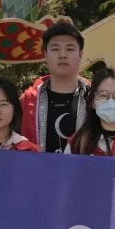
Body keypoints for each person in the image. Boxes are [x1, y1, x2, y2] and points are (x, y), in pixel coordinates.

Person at [19, 21, 90, 152]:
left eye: (70, 49)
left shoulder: (95, 98)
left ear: (80, 54)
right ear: (45, 55)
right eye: (55, 49)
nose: (62, 55)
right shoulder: (27, 102)